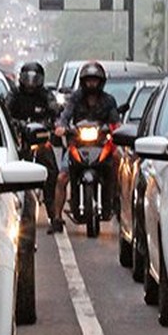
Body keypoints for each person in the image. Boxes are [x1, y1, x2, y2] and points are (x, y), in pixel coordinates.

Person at [50, 61, 121, 234]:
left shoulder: (108, 100)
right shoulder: (75, 98)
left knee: (119, 161)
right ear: (83, 81)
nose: (91, 84)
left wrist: (116, 130)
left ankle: (118, 201)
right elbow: (65, 116)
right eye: (88, 81)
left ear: (101, 81)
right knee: (61, 177)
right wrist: (61, 126)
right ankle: (57, 218)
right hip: (77, 145)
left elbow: (115, 122)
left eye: (95, 81)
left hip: (101, 145)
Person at [6, 62, 59, 220]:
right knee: (10, 166)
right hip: (20, 138)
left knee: (52, 170)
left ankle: (52, 210)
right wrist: (16, 123)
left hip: (40, 139)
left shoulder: (45, 95)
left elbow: (55, 110)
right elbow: (5, 111)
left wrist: (52, 121)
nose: (30, 83)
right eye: (27, 78)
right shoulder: (14, 94)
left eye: (34, 79)